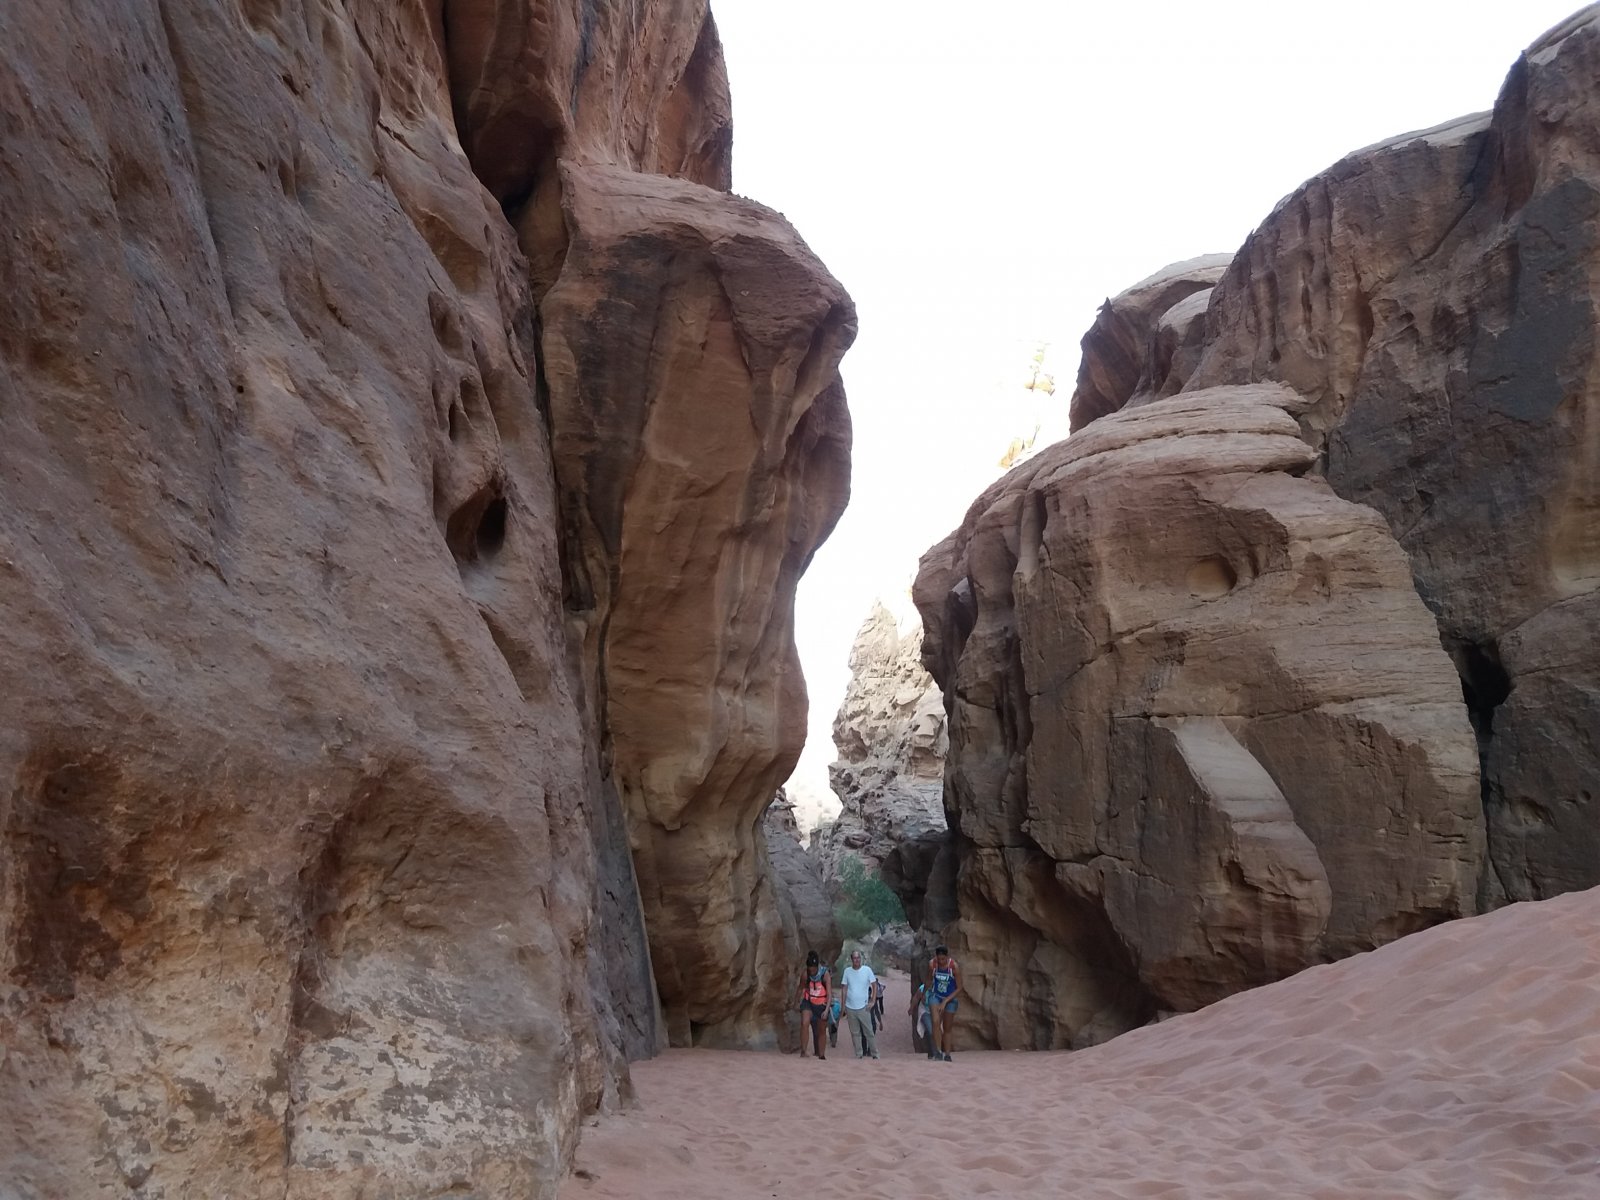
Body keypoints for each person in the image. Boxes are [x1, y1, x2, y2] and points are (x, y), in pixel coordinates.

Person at [838, 950, 880, 1060]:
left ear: (860, 959)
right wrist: (843, 1006)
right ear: (851, 959)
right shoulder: (847, 971)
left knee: (869, 1031)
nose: (857, 960)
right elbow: (844, 988)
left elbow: (874, 985)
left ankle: (875, 1054)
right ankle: (858, 1054)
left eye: (858, 958)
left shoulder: (867, 970)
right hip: (850, 1007)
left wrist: (873, 1000)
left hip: (863, 1006)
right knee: (855, 1032)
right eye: (855, 958)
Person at [926, 944, 963, 1062]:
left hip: (950, 998)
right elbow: (928, 979)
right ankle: (938, 1051)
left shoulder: (954, 967)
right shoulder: (932, 964)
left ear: (947, 957)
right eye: (939, 959)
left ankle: (947, 1054)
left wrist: (946, 1001)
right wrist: (924, 992)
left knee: (947, 1027)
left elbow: (959, 987)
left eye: (943, 959)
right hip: (936, 996)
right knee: (935, 1021)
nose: (941, 962)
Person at [797, 950, 830, 1059]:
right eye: (810, 969)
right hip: (808, 1002)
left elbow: (829, 994)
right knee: (804, 1023)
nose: (812, 972)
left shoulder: (825, 975)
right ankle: (803, 1051)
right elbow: (800, 988)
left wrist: (826, 1010)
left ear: (817, 967)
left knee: (821, 1029)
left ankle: (821, 1054)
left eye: (814, 970)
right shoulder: (805, 974)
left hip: (821, 1004)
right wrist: (797, 1001)